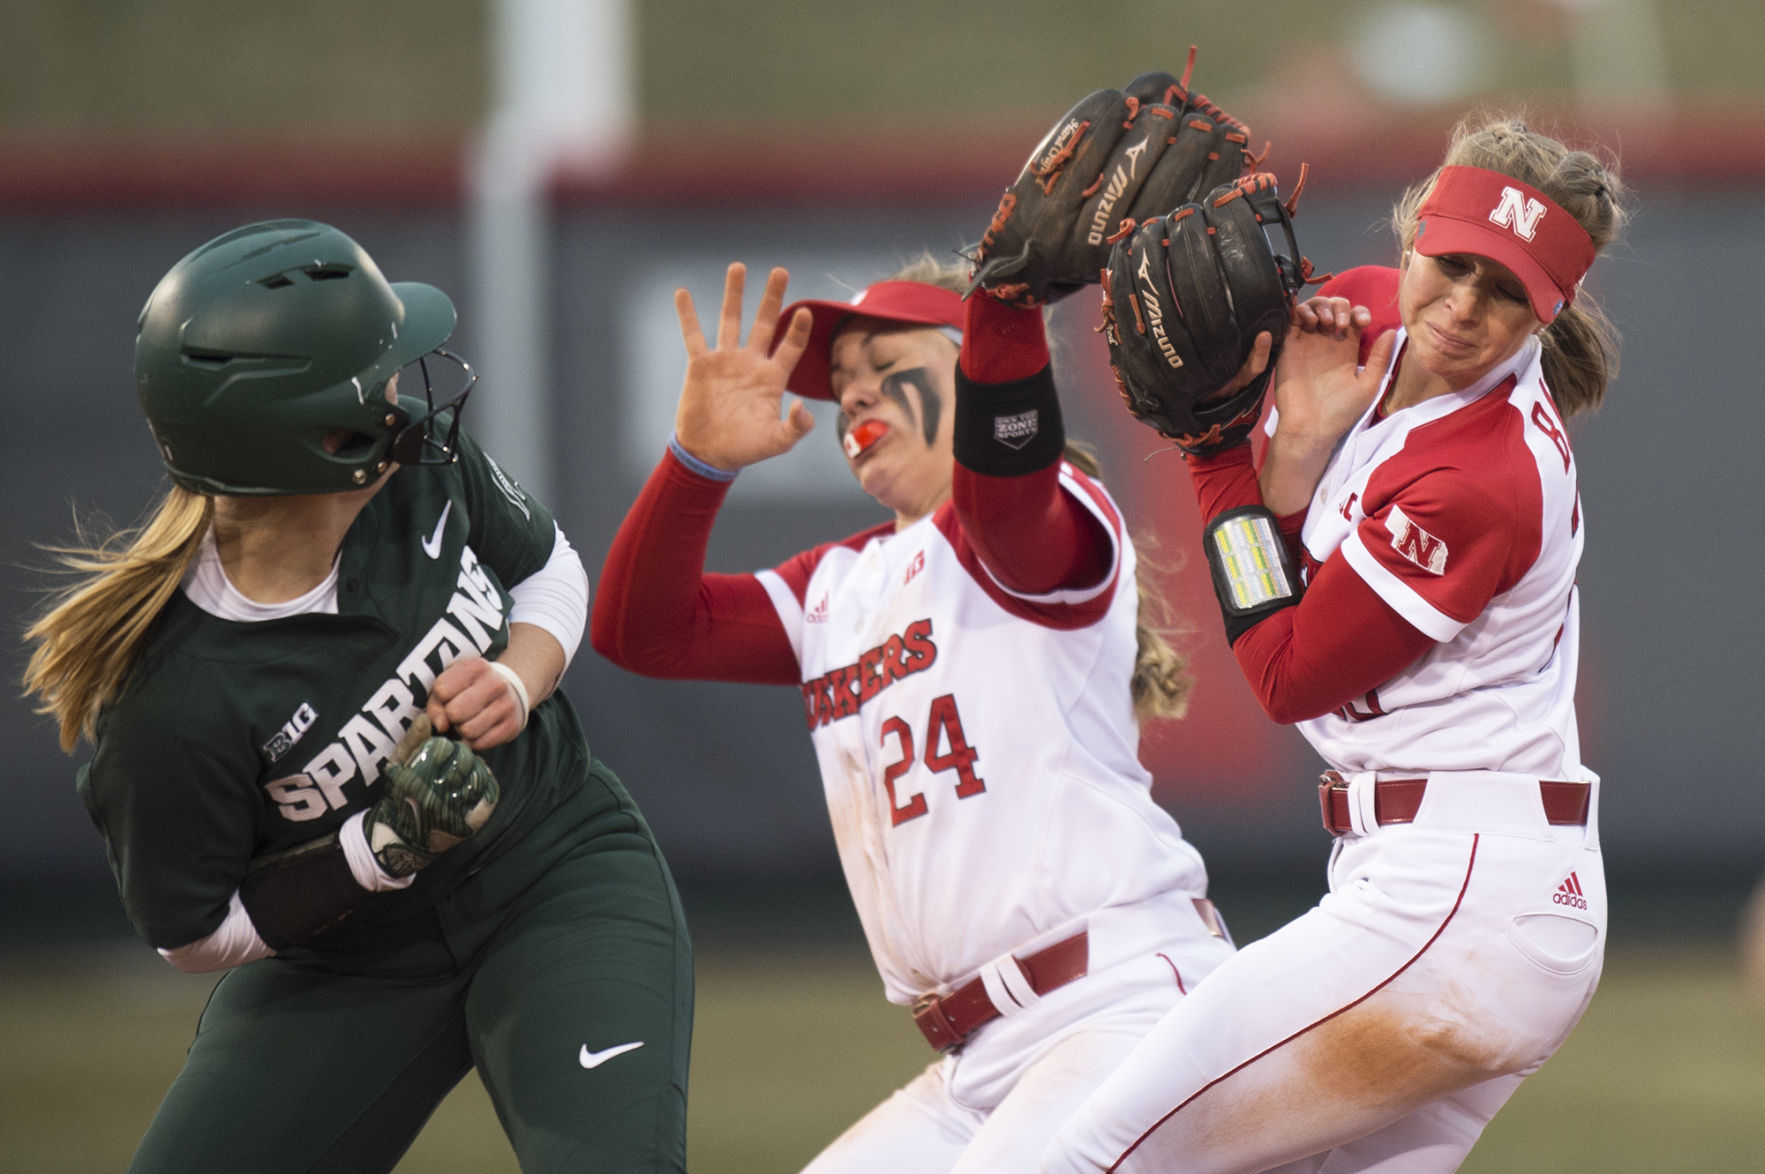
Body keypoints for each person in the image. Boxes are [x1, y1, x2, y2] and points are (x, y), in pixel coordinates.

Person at [20, 219, 692, 1174]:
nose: (401, 392)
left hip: (557, 874)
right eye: (374, 378)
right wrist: (381, 848)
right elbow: (192, 933)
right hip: (346, 958)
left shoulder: (420, 468)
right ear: (315, 435)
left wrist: (515, 676)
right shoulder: (171, 695)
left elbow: (548, 569)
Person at [1040, 115, 1627, 1172]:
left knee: (1098, 1153)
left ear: (1551, 312)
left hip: (1457, 895)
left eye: (1508, 294)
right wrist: (1281, 459)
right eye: (1454, 265)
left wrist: (1220, 452)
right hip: (1454, 886)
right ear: (1411, 238)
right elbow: (1278, 558)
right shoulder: (1352, 312)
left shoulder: (1482, 477)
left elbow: (1287, 668)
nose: (1464, 306)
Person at [589, 253, 1237, 1171]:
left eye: (885, 366)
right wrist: (694, 464)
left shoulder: (1030, 518)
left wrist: (1001, 333)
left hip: (1116, 1006)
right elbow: (637, 631)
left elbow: (1007, 505)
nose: (853, 399)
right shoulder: (837, 587)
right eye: (841, 386)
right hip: (976, 1059)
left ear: (970, 373)